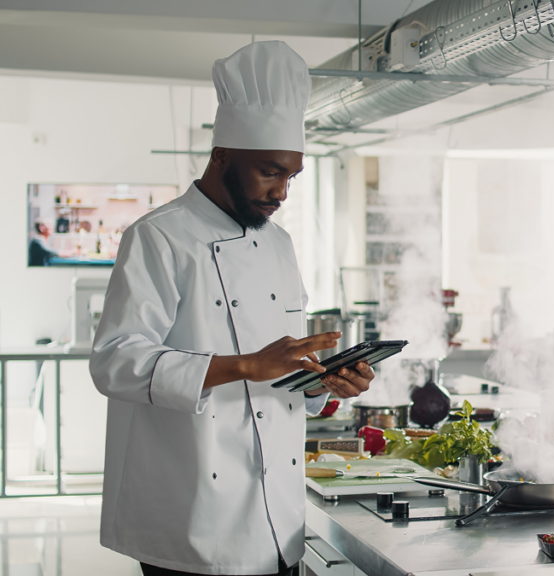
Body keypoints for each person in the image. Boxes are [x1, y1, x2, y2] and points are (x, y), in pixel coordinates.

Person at [90, 41, 375, 576]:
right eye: (270, 172)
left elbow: (283, 368)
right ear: (222, 155)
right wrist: (243, 365)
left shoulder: (280, 245)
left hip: (278, 522)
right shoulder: (159, 238)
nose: (282, 192)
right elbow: (115, 361)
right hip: (192, 518)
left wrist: (322, 382)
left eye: (291, 175)